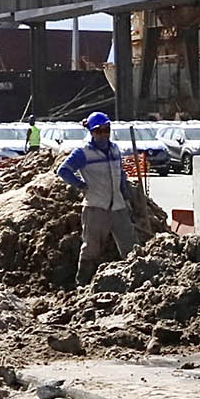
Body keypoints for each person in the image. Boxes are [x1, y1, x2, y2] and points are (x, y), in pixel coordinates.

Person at [57, 109, 138, 282]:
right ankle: (83, 283)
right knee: (91, 249)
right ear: (92, 132)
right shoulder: (83, 152)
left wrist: (127, 198)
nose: (103, 134)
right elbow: (63, 170)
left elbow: (121, 175)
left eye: (106, 130)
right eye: (98, 131)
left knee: (130, 246)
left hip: (118, 207)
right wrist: (80, 184)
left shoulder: (115, 149)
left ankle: (136, 282)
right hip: (95, 208)